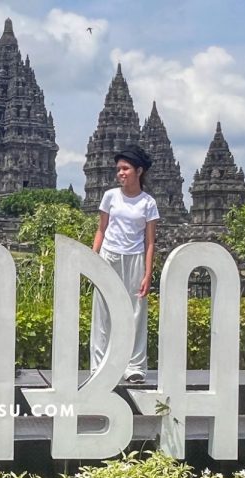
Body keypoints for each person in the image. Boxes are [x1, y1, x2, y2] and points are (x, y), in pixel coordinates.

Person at [90, 145, 159, 383]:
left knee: (136, 312)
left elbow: (150, 241)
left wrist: (148, 273)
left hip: (135, 257)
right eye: (118, 169)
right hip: (109, 255)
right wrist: (92, 258)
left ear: (138, 171)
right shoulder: (110, 196)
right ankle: (99, 365)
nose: (120, 173)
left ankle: (134, 366)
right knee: (103, 312)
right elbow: (101, 229)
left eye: (125, 168)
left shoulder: (148, 202)